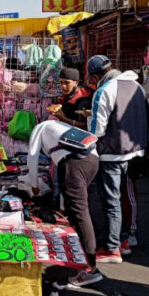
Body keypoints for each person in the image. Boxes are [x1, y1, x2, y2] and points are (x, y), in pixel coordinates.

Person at [86, 55, 148, 263]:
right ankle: (124, 239)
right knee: (126, 196)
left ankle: (112, 248)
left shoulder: (105, 90)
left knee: (111, 201)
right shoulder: (137, 87)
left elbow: (97, 129)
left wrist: (87, 119)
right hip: (135, 152)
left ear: (95, 76)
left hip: (111, 154)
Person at [28, 120, 102, 286]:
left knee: (80, 212)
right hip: (92, 160)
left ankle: (90, 268)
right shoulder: (59, 125)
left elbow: (32, 156)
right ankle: (82, 257)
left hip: (75, 163)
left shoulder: (39, 129)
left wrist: (34, 186)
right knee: (76, 210)